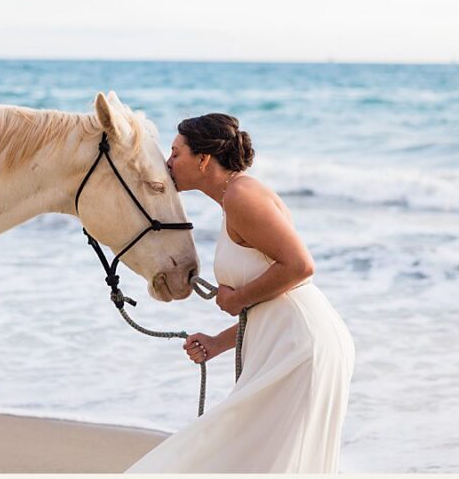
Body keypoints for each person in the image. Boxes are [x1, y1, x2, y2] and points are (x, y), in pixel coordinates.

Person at [127, 113, 356, 473]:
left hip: (300, 347)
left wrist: (237, 298)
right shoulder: (235, 196)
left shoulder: (241, 195)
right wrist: (218, 343)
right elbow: (273, 302)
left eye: (176, 153)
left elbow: (300, 266)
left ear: (203, 159)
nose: (168, 163)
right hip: (289, 340)